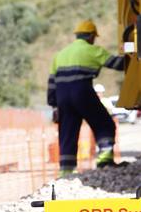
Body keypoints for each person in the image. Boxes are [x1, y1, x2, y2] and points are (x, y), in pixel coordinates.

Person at [48, 19, 126, 175]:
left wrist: (54, 105)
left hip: (62, 97)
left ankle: (66, 171)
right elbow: (118, 64)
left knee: (67, 132)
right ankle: (104, 161)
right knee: (104, 123)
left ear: (77, 35)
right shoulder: (92, 50)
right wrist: (134, 56)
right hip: (82, 92)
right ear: (91, 36)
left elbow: (51, 83)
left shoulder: (60, 55)